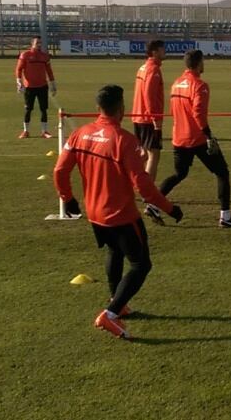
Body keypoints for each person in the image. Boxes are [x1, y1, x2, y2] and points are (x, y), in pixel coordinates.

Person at [53, 84, 184, 340]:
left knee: (114, 251)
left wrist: (67, 198)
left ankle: (117, 302)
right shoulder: (125, 140)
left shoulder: (80, 134)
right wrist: (170, 208)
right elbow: (143, 185)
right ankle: (110, 314)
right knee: (141, 265)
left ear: (98, 107)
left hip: (95, 214)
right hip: (121, 215)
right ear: (121, 108)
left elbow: (60, 170)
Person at [158, 49, 231, 228]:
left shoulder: (176, 83)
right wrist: (208, 135)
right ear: (198, 64)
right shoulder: (199, 85)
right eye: (203, 61)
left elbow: (172, 110)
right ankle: (225, 216)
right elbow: (198, 113)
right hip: (197, 138)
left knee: (180, 174)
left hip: (178, 137)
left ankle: (153, 204)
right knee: (222, 172)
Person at [132, 40, 167, 225]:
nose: (165, 52)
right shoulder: (153, 69)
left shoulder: (143, 67)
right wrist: (155, 119)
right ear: (154, 52)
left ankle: (135, 185)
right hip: (147, 118)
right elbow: (149, 95)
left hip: (138, 116)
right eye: (162, 49)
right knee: (154, 155)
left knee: (144, 155)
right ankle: (148, 193)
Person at [15, 36, 57, 139]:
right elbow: (18, 69)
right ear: (32, 44)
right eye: (37, 42)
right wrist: (19, 81)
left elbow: (49, 71)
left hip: (42, 86)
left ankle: (44, 131)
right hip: (29, 87)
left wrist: (53, 84)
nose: (39, 44)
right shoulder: (25, 55)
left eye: (40, 43)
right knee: (28, 109)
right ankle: (26, 131)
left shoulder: (44, 56)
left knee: (44, 109)